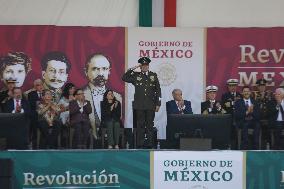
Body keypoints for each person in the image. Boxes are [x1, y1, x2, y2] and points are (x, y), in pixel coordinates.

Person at [122, 57, 161, 148]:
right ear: (140, 66)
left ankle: (150, 144)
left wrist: (158, 103)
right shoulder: (136, 76)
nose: (144, 67)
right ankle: (140, 143)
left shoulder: (153, 75)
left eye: (146, 65)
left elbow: (158, 90)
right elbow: (124, 77)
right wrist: (133, 68)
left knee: (150, 125)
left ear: (148, 66)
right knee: (140, 125)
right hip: (139, 105)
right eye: (142, 65)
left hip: (150, 105)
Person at [83, 53, 122, 139]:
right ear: (86, 71)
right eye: (95, 69)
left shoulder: (117, 97)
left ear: (109, 71)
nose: (100, 73)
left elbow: (118, 116)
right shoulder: (81, 95)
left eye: (104, 69)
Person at [27, 79, 44, 149]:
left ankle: (43, 144)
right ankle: (34, 142)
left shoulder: (47, 93)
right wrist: (41, 101)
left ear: (42, 85)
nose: (39, 86)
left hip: (46, 113)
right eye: (37, 85)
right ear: (34, 87)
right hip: (35, 113)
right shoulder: (31, 94)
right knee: (33, 115)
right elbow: (32, 104)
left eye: (40, 84)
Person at [58, 83, 76, 148]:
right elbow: (61, 109)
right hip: (65, 114)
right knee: (64, 114)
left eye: (73, 88)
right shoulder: (63, 98)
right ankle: (64, 143)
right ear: (67, 90)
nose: (72, 90)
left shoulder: (76, 97)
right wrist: (69, 106)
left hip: (74, 115)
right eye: (71, 89)